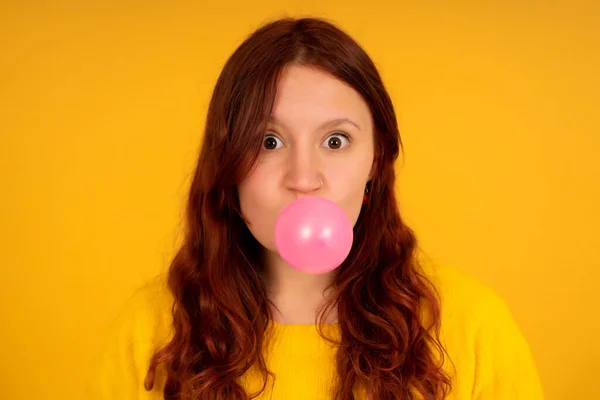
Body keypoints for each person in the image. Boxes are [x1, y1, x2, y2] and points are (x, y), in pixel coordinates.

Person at [87, 17, 544, 399]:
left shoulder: (473, 328)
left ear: (376, 159)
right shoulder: (153, 331)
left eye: (335, 140)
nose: (303, 177)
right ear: (227, 163)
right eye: (269, 142)